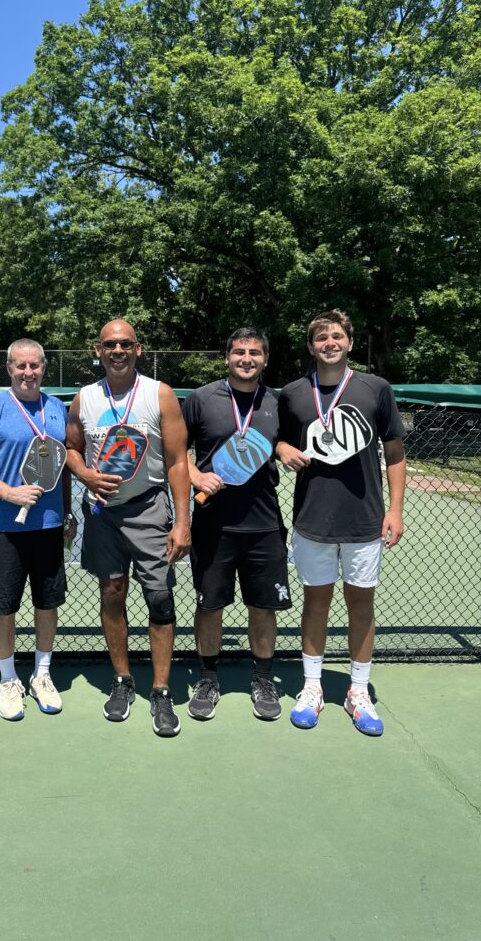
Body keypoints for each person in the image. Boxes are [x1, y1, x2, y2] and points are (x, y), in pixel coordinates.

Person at [276, 308, 405, 736]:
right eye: (320, 338)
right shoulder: (293, 393)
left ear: (349, 341)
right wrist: (280, 449)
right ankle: (312, 687)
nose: (329, 343)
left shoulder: (376, 388)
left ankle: (358, 691)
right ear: (311, 346)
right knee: (316, 603)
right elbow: (275, 436)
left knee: (360, 606)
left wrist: (395, 509)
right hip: (312, 519)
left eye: (336, 336)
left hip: (365, 520)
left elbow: (394, 452)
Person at [66, 319, 191, 738]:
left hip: (149, 511)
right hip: (103, 514)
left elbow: (177, 461)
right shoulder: (84, 398)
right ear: (97, 351)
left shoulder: (160, 394)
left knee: (160, 598)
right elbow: (71, 449)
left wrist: (183, 521)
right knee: (111, 592)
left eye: (125, 344)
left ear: (138, 349)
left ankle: (160, 689)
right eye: (109, 345)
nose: (117, 350)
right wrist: (85, 475)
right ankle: (122, 680)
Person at [0, 339, 75, 721]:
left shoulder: (57, 408)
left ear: (44, 367)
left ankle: (41, 675)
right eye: (20, 366)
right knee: (3, 606)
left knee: (47, 604)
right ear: (9, 368)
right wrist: (7, 492)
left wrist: (67, 513)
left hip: (49, 526)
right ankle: (8, 679)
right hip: (4, 528)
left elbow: (63, 468)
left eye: (35, 366)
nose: (28, 373)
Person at [183, 328, 291, 722]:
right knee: (210, 606)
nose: (247, 359)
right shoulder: (201, 399)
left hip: (264, 525)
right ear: (227, 356)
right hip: (213, 525)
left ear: (265, 359)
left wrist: (281, 447)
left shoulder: (279, 401)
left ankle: (263, 678)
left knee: (262, 607)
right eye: (240, 352)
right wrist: (195, 476)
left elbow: (283, 441)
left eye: (256, 353)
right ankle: (208, 678)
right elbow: (176, 451)